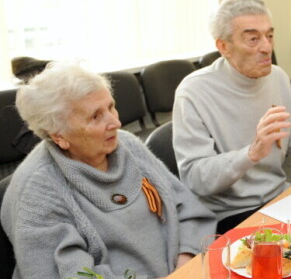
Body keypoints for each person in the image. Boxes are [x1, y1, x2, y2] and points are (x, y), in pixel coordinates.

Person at [1, 63, 216, 279]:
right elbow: (71, 275)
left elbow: (188, 209)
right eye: (95, 116)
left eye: (111, 107)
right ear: (59, 135)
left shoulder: (127, 145)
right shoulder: (38, 193)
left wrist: (186, 264)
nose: (116, 122)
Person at [173, 0, 291, 233]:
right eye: (252, 39)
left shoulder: (277, 77)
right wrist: (251, 153)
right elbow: (195, 178)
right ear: (223, 46)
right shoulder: (193, 92)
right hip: (232, 211)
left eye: (269, 35)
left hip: (281, 195)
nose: (267, 47)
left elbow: (283, 135)